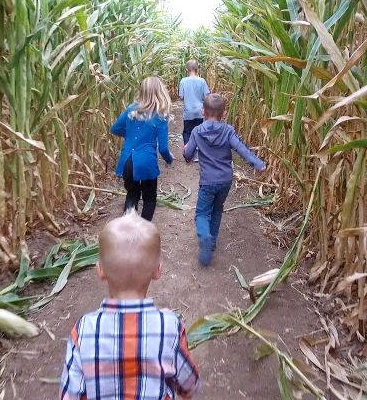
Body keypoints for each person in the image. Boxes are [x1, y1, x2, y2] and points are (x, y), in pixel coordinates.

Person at [49, 211, 201, 400]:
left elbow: (71, 399)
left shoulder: (84, 331)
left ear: (99, 270)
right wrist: (188, 390)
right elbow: (188, 383)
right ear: (158, 271)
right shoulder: (169, 327)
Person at [182, 93, 266, 267]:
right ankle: (211, 242)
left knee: (201, 213)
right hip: (225, 181)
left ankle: (205, 236)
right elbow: (241, 149)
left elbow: (188, 154)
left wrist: (185, 151)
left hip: (207, 181)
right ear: (224, 113)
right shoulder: (228, 130)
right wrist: (257, 164)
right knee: (217, 210)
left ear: (202, 112)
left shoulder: (197, 131)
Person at [111, 76, 173, 221]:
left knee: (132, 195)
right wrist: (169, 159)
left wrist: (129, 135)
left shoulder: (131, 110)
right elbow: (163, 148)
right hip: (147, 163)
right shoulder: (161, 116)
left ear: (142, 91)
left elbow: (114, 129)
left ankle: (128, 226)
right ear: (160, 92)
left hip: (127, 161)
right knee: (149, 198)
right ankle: (144, 230)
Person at [178, 60, 210, 160]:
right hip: (200, 112)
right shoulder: (202, 81)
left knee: (187, 132)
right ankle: (197, 155)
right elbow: (207, 96)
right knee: (198, 132)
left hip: (188, 112)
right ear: (197, 69)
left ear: (187, 69)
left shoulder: (183, 81)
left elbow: (181, 96)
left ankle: (188, 154)